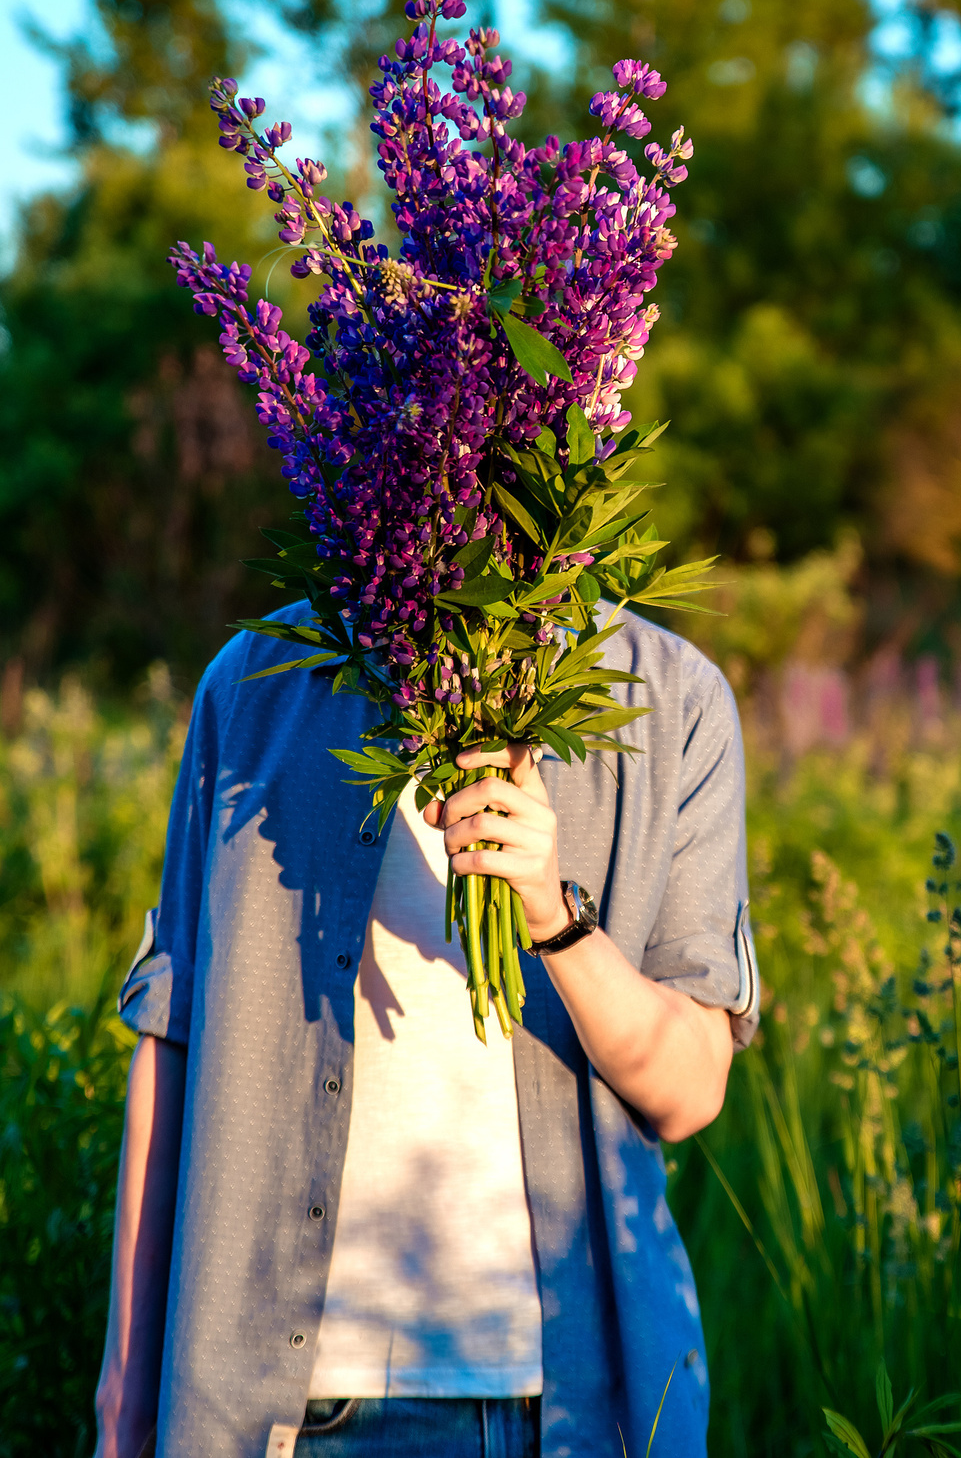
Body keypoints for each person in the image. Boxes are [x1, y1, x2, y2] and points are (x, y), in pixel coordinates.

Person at [91, 603, 758, 1458]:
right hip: (286, 1409)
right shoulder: (257, 683)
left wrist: (553, 918)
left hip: (561, 1413)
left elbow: (692, 1087)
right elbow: (173, 1044)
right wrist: (123, 1408)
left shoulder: (670, 697)